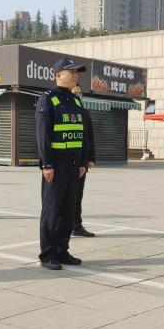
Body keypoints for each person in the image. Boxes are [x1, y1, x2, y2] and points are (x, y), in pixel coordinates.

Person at [37, 57, 88, 270]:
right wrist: (46, 164)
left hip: (73, 165)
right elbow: (43, 134)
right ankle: (48, 254)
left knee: (68, 211)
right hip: (55, 166)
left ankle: (62, 250)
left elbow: (82, 134)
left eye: (77, 72)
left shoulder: (75, 100)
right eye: (71, 72)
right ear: (58, 76)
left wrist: (83, 162)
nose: (75, 75)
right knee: (52, 211)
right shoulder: (47, 99)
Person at [71, 84, 97, 238]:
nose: (78, 96)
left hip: (81, 161)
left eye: (79, 93)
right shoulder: (62, 111)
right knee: (65, 196)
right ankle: (62, 226)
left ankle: (76, 225)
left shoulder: (84, 112)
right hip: (65, 161)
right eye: (75, 93)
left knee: (77, 195)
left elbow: (89, 137)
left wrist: (91, 158)